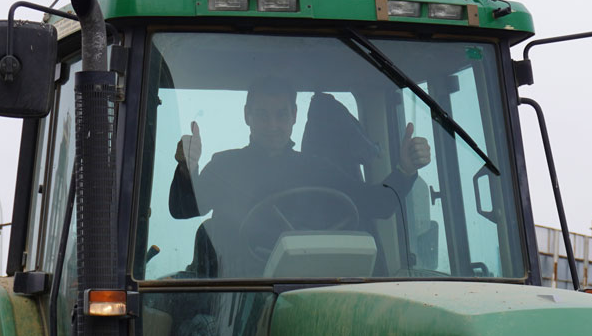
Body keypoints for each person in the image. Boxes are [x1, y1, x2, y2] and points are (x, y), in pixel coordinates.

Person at [168, 78, 431, 273]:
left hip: (309, 293)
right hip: (240, 296)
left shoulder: (317, 169)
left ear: (294, 116)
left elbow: (379, 204)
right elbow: (183, 208)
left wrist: (405, 170)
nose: (273, 125)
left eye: (281, 115)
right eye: (262, 115)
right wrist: (186, 169)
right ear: (247, 116)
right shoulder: (226, 165)